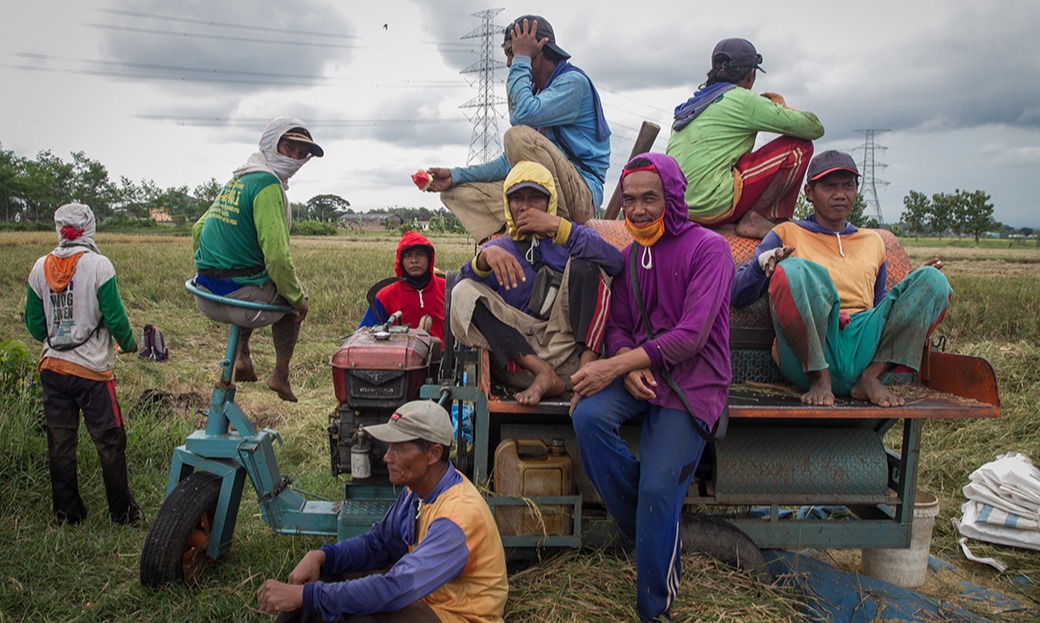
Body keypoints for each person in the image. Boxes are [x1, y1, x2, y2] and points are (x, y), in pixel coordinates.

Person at [570, 153, 733, 623]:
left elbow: (693, 335)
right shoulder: (629, 255)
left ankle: (653, 610)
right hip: (643, 373)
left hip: (692, 381)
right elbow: (620, 325)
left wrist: (617, 365)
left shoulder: (709, 249)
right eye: (632, 200)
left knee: (660, 491)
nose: (638, 210)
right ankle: (655, 531)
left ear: (673, 198)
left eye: (650, 199)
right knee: (587, 416)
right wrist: (625, 366)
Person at [731, 150, 952, 407]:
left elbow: (880, 307)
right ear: (809, 193)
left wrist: (911, 292)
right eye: (829, 186)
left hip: (863, 345)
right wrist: (761, 266)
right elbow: (738, 294)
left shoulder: (873, 241)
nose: (840, 194)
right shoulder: (786, 233)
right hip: (811, 344)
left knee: (933, 281)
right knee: (796, 269)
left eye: (848, 186)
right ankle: (819, 377)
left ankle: (871, 378)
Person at [256, 400, 507, 623]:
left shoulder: (459, 517)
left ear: (433, 453)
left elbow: (396, 588)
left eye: (398, 449)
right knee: (325, 578)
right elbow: (378, 545)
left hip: (455, 615)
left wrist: (306, 596)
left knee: (360, 614)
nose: (387, 457)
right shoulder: (417, 491)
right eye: (389, 447)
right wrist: (323, 556)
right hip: (423, 600)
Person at [422, 14, 611, 243]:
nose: (510, 64)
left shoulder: (572, 83)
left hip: (579, 196)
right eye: (510, 55)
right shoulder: (536, 92)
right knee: (457, 193)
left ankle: (549, 232)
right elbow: (509, 160)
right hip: (542, 190)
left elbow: (521, 116)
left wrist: (522, 57)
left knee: (516, 135)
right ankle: (507, 240)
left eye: (512, 53)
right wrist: (456, 175)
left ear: (539, 48)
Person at [450, 160, 623, 405]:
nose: (525, 207)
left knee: (588, 264)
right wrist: (484, 259)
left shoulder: (572, 234)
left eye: (535, 198)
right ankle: (544, 373)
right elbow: (461, 298)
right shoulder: (497, 248)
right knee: (462, 291)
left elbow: (616, 262)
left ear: (549, 202)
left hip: (569, 355)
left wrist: (557, 226)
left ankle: (586, 377)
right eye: (517, 198)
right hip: (521, 362)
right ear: (508, 204)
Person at [24, 202, 141, 526]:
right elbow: (116, 318)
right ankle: (122, 514)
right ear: (89, 228)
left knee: (61, 444)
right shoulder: (99, 266)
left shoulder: (39, 267)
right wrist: (130, 345)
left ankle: (67, 513)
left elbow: (34, 326)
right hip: (91, 373)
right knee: (110, 441)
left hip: (53, 369)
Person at [192, 117, 323, 403]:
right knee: (293, 300)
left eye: (302, 154)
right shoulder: (268, 186)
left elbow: (197, 229)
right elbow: (277, 258)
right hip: (241, 302)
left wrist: (209, 267)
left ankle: (242, 355)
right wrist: (297, 298)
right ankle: (281, 374)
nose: (296, 158)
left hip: (203, 293)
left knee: (257, 278)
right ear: (271, 145)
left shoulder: (237, 180)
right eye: (289, 148)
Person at [666, 38, 825, 239]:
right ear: (751, 74)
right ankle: (759, 218)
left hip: (678, 208)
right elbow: (814, 127)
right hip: (711, 205)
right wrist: (778, 106)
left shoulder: (694, 104)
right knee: (799, 146)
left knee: (730, 162)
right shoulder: (743, 99)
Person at [357, 231, 446, 342]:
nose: (414, 261)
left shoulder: (447, 289)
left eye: (420, 254)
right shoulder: (385, 295)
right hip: (399, 357)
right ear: (400, 261)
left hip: (441, 356)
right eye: (408, 256)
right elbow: (363, 335)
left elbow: (465, 331)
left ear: (429, 258)